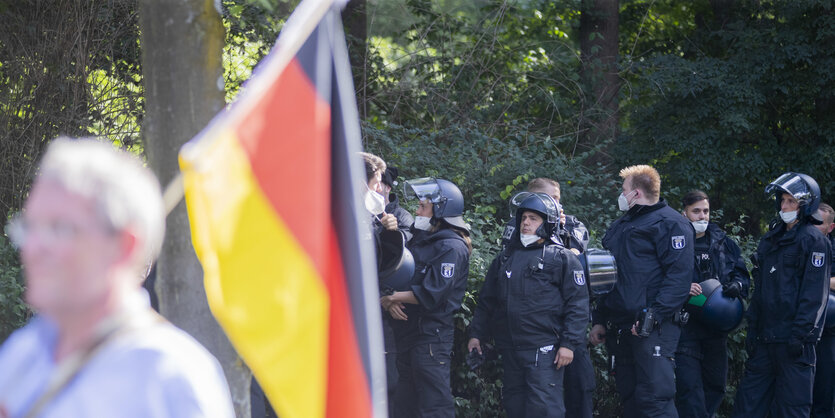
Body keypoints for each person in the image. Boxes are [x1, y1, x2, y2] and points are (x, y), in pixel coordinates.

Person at [0, 138, 233, 417]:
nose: (33, 248)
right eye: (30, 227)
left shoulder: (170, 376)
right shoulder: (21, 355)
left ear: (125, 246)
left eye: (59, 229)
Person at [468, 193, 589, 417]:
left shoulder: (562, 258)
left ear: (548, 223)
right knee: (515, 407)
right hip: (511, 349)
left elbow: (578, 304)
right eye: (523, 217)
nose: (525, 222)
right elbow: (487, 301)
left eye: (533, 218)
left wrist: (569, 344)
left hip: (544, 350)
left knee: (544, 409)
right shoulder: (505, 257)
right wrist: (477, 334)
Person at [589, 164, 693, 418]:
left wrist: (654, 314)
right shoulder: (619, 226)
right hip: (622, 328)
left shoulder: (671, 223)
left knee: (655, 399)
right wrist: (599, 319)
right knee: (630, 399)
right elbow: (609, 277)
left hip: (655, 328)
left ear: (636, 193)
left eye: (624, 189)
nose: (621, 195)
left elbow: (678, 277)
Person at [732, 172, 831, 418]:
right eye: (782, 201)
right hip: (765, 340)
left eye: (791, 201)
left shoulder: (814, 241)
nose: (785, 206)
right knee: (747, 405)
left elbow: (814, 295)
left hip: (794, 344)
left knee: (791, 410)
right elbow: (762, 290)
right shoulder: (772, 239)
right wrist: (753, 329)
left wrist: (800, 336)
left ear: (806, 204)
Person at [501, 177, 595, 417]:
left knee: (581, 385)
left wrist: (556, 228)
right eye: (551, 199)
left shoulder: (572, 224)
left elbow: (571, 255)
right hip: (534, 330)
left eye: (558, 199)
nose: (557, 205)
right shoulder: (518, 225)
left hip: (569, 326)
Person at [380, 177, 472, 418]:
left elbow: (433, 292)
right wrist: (391, 299)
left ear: (440, 211)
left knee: (434, 404)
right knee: (405, 404)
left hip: (431, 337)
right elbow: (399, 274)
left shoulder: (452, 247)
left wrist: (392, 299)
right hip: (408, 333)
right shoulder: (422, 239)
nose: (417, 211)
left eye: (423, 207)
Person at [674, 190, 750, 418]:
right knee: (689, 390)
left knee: (716, 385)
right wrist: (682, 288)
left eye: (705, 211)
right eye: (696, 211)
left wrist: (737, 285)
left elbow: (741, 274)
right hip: (686, 329)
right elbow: (658, 279)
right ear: (684, 213)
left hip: (717, 329)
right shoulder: (675, 243)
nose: (702, 216)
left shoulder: (723, 243)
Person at [813, 202, 835, 418]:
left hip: (829, 329)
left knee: (824, 388)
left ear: (830, 227)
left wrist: (817, 279)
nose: (813, 226)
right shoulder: (801, 242)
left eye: (819, 223)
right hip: (801, 327)